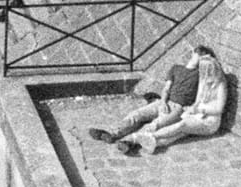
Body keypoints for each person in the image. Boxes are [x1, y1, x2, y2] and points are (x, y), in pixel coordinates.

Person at [91, 45, 228, 155]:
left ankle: (128, 142)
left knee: (155, 124)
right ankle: (113, 133)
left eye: (202, 58)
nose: (200, 60)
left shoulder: (200, 75)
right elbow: (166, 88)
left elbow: (210, 80)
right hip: (163, 101)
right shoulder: (176, 68)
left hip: (178, 107)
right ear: (194, 53)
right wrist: (162, 102)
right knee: (137, 114)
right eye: (199, 55)